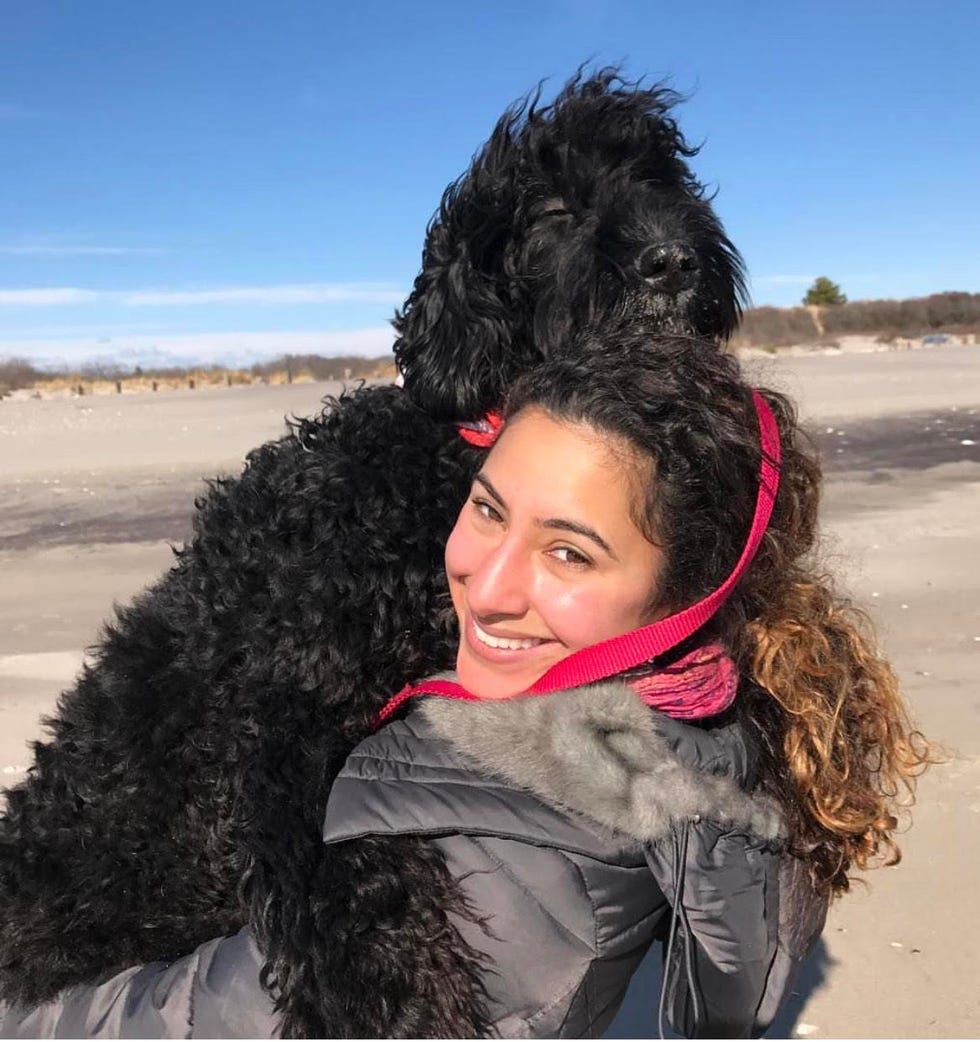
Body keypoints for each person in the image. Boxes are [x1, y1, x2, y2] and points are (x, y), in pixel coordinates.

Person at [0, 331, 932, 1039]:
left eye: (569, 550)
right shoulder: (692, 725)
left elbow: (209, 1019)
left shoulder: (507, 877)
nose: (486, 587)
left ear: (683, 598)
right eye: (487, 508)